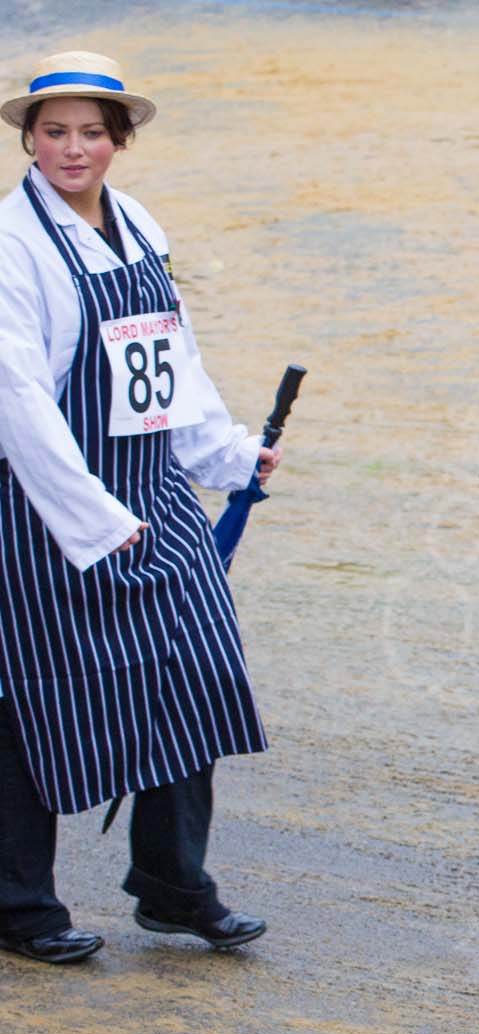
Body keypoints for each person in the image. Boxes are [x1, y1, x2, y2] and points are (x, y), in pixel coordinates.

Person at [0, 51, 276, 965]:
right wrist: (92, 521)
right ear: (29, 140)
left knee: (194, 677)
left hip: (155, 489)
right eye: (54, 132)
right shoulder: (11, 247)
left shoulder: (141, 226)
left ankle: (171, 886)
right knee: (36, 699)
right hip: (50, 512)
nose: (72, 148)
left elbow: (173, 365)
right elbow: (21, 404)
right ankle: (21, 906)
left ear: (120, 139)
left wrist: (227, 454)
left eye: (91, 132)